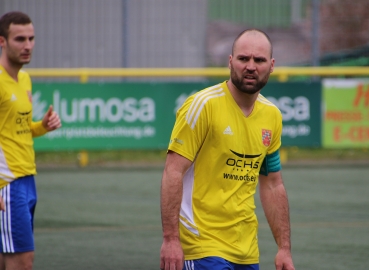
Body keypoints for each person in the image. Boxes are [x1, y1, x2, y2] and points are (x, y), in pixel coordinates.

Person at [160, 29, 295, 270]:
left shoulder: (272, 116)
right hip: (201, 247)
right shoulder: (202, 106)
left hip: (247, 252)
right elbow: (173, 172)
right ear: (230, 62)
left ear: (272, 65)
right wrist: (170, 240)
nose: (251, 66)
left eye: (259, 60)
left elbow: (273, 183)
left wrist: (284, 248)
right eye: (243, 59)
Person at [0, 11, 61, 270]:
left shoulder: (24, 78)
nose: (27, 46)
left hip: (27, 180)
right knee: (23, 262)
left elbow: (18, 127)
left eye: (32, 38)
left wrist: (42, 126)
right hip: (8, 184)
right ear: (2, 41)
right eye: (19, 39)